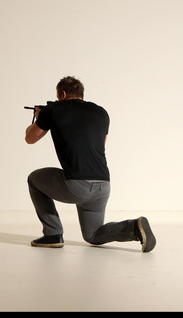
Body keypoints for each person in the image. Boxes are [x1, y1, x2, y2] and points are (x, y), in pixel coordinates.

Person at [25, 76, 156, 253]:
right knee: (93, 235)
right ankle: (133, 227)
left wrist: (39, 117)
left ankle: (53, 234)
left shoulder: (52, 110)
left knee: (34, 179)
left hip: (76, 186)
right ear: (81, 94)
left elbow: (30, 139)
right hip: (103, 185)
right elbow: (100, 144)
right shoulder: (101, 113)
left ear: (62, 94)